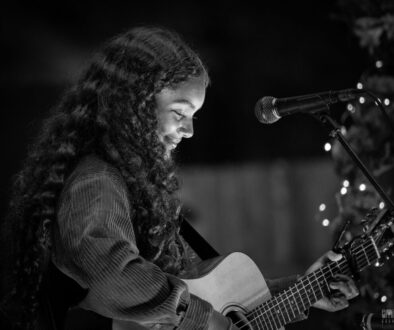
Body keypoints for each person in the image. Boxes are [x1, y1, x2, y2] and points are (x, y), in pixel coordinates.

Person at [0, 26, 358, 330]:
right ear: (135, 105)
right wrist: (201, 318)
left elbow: (208, 300)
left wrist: (305, 291)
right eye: (179, 112)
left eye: (194, 116)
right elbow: (112, 275)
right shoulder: (96, 182)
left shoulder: (137, 186)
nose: (188, 130)